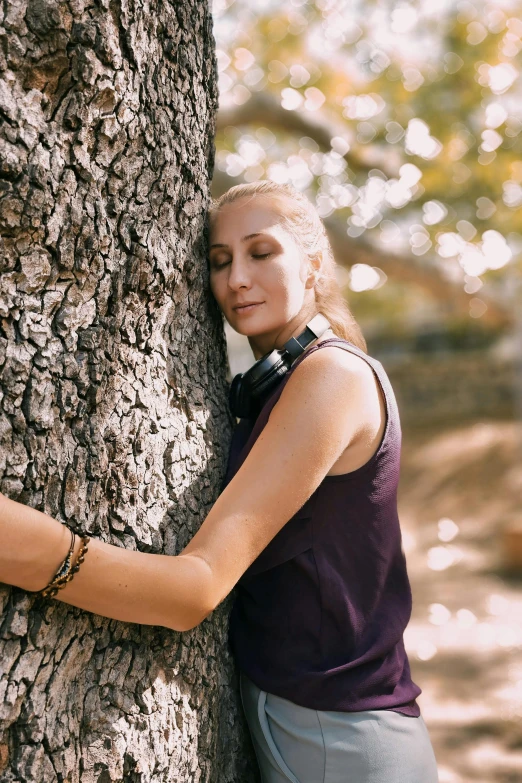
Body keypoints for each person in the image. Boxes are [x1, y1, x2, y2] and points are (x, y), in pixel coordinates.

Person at [0, 179, 439, 782]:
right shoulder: (277, 386)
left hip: (340, 740)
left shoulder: (330, 375)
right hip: (313, 726)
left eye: (262, 252)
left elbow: (194, 590)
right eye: (219, 260)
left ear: (312, 263)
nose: (236, 279)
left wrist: (23, 547)